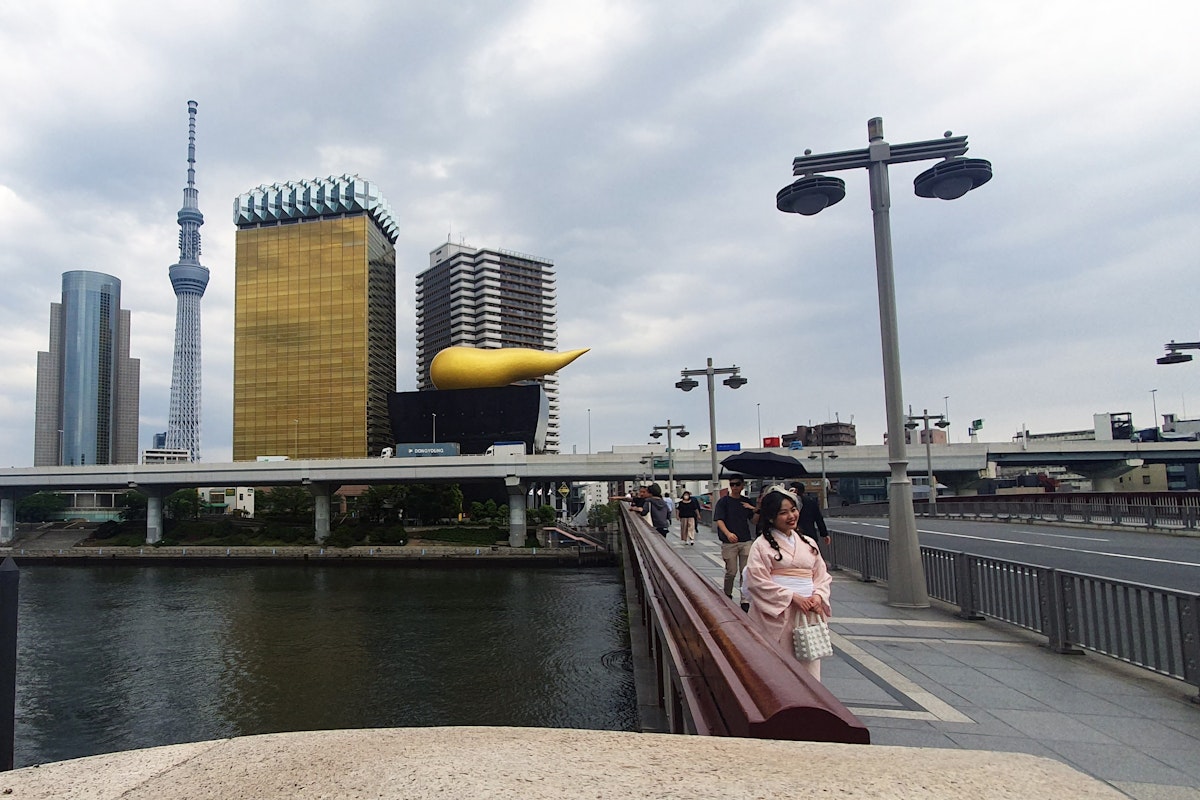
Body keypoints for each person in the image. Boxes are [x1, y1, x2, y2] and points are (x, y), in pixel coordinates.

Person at [745, 487, 832, 680]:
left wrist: (818, 596)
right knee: (778, 669)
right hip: (779, 612)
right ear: (770, 517)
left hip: (807, 610)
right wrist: (792, 597)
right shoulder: (761, 545)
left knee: (807, 664)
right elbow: (756, 580)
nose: (791, 516)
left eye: (793, 510)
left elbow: (822, 575)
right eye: (783, 513)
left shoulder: (808, 542)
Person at [712, 475, 757, 599]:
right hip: (728, 542)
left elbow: (754, 521)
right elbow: (719, 520)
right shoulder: (723, 502)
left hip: (745, 540)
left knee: (745, 572)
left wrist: (755, 509)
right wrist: (728, 533)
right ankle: (727, 594)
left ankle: (744, 600)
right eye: (732, 484)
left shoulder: (746, 501)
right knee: (731, 572)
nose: (735, 487)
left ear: (742, 485)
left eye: (737, 484)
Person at [789, 482, 830, 548]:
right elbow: (819, 519)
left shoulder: (788, 503)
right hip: (810, 535)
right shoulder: (811, 502)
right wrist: (824, 534)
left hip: (793, 536)